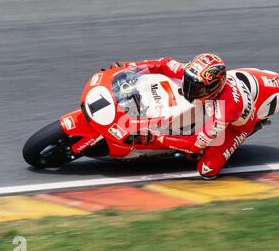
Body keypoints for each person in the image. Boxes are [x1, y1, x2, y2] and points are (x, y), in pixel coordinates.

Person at [110, 53, 257, 179]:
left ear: (213, 88)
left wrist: (157, 137)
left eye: (197, 88)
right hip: (213, 103)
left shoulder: (223, 112)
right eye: (188, 81)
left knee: (207, 170)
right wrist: (127, 66)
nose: (189, 89)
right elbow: (164, 64)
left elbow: (195, 145)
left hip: (235, 127)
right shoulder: (195, 74)